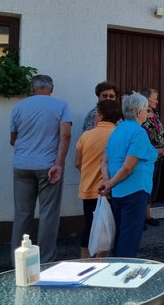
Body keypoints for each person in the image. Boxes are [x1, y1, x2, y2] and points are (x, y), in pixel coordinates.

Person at [10, 74, 72, 264]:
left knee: (22, 214)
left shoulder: (19, 107)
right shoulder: (62, 106)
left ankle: (18, 262)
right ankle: (45, 261)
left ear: (32, 88)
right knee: (48, 215)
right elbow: (65, 136)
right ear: (51, 89)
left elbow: (13, 139)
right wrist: (59, 164)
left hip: (21, 165)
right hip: (48, 166)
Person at [99, 92, 158, 257]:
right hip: (135, 190)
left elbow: (104, 160)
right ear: (139, 112)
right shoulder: (139, 133)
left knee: (121, 235)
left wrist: (108, 182)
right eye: (146, 109)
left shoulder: (118, 130)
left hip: (119, 192)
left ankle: (116, 271)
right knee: (129, 238)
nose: (148, 112)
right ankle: (123, 276)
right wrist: (109, 184)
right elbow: (128, 167)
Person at [74, 100, 121, 258]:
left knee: (89, 227)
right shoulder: (118, 135)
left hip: (88, 188)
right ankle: (103, 264)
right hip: (111, 189)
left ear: (100, 116)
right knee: (107, 228)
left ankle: (84, 263)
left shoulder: (86, 136)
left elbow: (77, 162)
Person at [139, 88, 164, 228]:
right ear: (146, 99)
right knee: (144, 186)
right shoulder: (140, 114)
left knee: (152, 186)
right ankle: (140, 218)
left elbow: (161, 130)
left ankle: (147, 215)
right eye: (154, 98)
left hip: (158, 157)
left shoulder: (154, 114)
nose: (157, 100)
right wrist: (153, 150)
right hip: (147, 158)